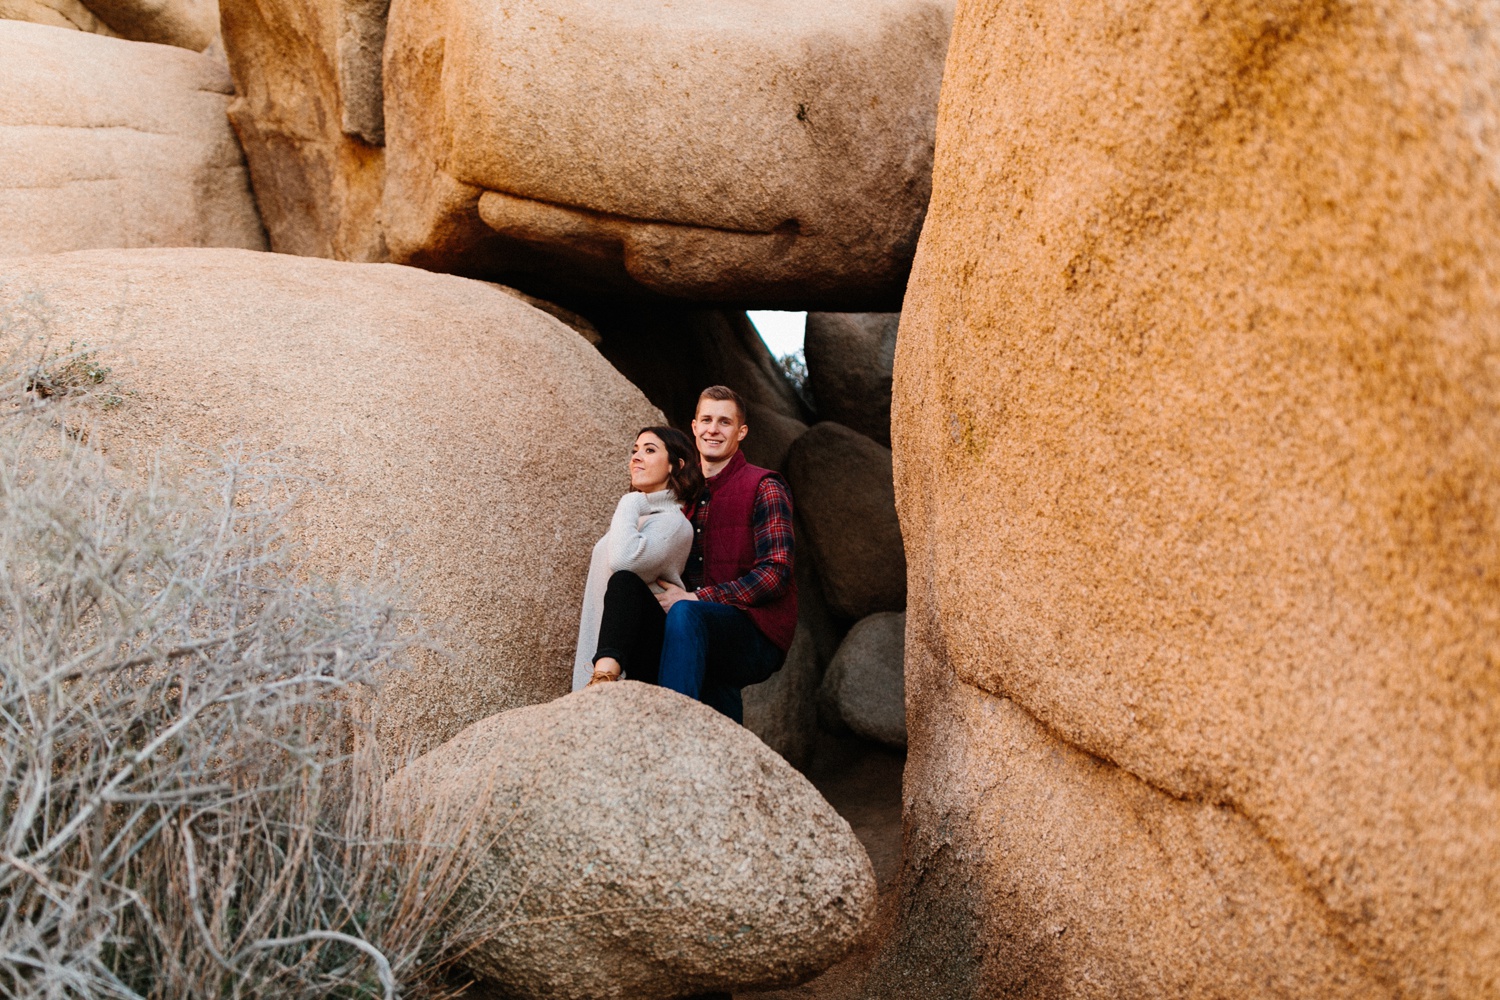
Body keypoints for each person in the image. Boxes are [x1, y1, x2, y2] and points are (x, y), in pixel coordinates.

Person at [652, 385, 797, 721]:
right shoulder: (680, 494)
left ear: (740, 431)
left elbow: (775, 573)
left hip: (757, 630)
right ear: (693, 427)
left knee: (686, 615)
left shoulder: (764, 486)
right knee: (716, 696)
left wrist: (698, 598)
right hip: (700, 627)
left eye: (724, 422)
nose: (712, 429)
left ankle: (670, 731)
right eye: (706, 420)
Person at [571, 427, 702, 691]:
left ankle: (604, 679)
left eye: (649, 450)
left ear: (675, 466)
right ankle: (599, 678)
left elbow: (624, 563)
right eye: (635, 450)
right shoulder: (638, 517)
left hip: (637, 660)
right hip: (605, 652)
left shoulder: (673, 522)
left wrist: (630, 501)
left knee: (624, 581)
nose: (636, 457)